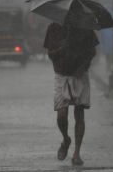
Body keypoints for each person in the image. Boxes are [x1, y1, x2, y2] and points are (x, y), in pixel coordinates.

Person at [43, 22, 99, 166]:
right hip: (61, 75)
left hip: (80, 75)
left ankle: (77, 153)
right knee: (61, 114)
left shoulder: (85, 28)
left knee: (79, 113)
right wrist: (63, 47)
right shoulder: (54, 28)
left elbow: (92, 52)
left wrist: (83, 66)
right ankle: (66, 139)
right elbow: (50, 54)